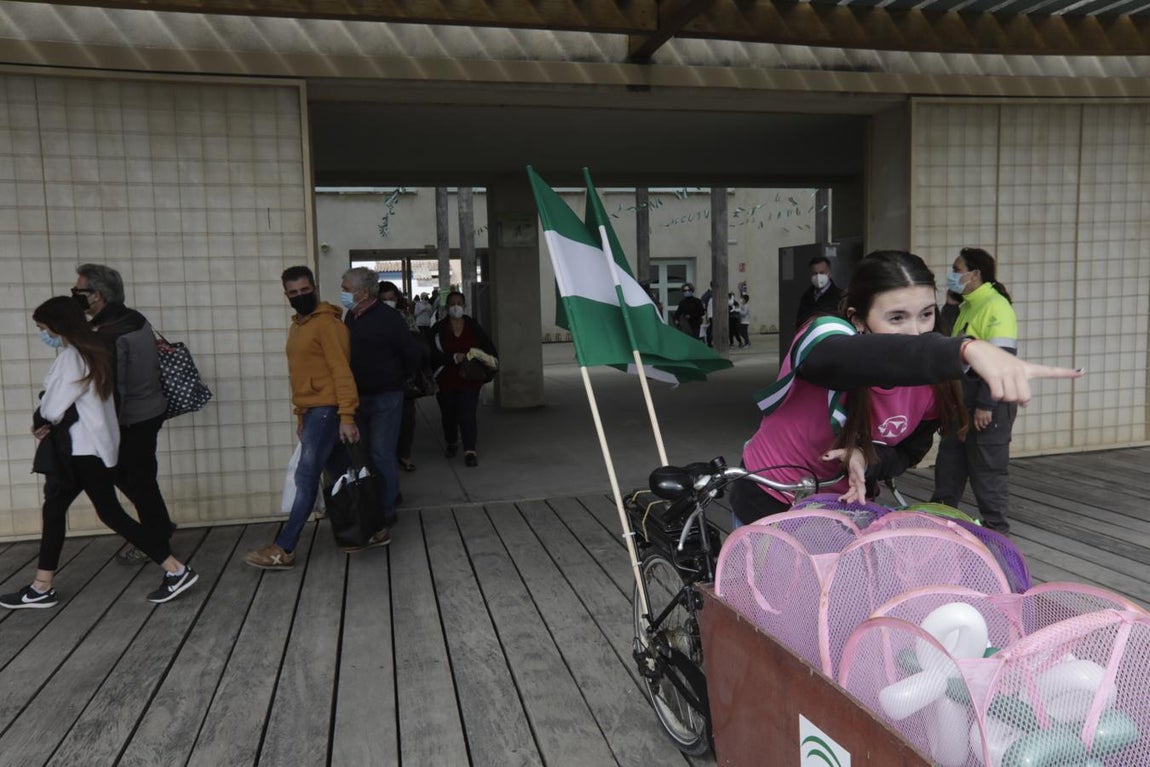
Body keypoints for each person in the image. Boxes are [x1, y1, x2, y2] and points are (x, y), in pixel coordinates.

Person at [730, 250, 1081, 527]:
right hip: (772, 494)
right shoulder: (824, 337)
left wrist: (866, 459)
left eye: (926, 314)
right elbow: (843, 359)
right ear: (857, 319)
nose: (916, 332)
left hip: (845, 507)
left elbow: (908, 452)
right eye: (896, 318)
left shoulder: (933, 383)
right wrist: (966, 348)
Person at [1, 297, 197, 609]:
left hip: (79, 451)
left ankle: (176, 570)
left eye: (42, 328)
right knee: (71, 510)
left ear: (57, 326)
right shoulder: (93, 351)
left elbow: (52, 407)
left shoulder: (71, 358)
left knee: (96, 513)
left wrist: (40, 419)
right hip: (96, 448)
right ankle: (42, 586)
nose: (42, 334)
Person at [245, 266, 361, 569]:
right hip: (313, 412)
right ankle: (369, 528)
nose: (300, 297)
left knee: (306, 478)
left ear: (316, 287)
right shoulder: (299, 325)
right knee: (343, 474)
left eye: (304, 290)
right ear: (286, 295)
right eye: (293, 293)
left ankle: (283, 548)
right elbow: (300, 374)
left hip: (326, 412)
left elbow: (342, 372)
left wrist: (346, 415)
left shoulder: (328, 325)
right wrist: (300, 415)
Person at [71, 263, 175, 566]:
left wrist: (105, 429)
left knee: (133, 479)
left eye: (79, 291)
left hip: (130, 419)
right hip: (151, 409)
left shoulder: (109, 334)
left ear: (97, 295)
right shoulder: (135, 319)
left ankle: (156, 540)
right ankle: (159, 529)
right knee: (141, 478)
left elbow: (112, 389)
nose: (74, 295)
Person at [931, 248, 1020, 533]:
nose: (953, 274)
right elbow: (946, 344)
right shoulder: (968, 305)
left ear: (975, 273)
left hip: (987, 404)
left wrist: (986, 404)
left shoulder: (996, 306)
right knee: (949, 467)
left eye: (957, 269)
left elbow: (1000, 360)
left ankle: (997, 534)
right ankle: (937, 524)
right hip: (961, 403)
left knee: (987, 473)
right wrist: (950, 306)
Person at [340, 271, 420, 531]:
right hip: (358, 397)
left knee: (382, 453)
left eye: (346, 288)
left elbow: (410, 354)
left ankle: (386, 512)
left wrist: (397, 379)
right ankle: (386, 495)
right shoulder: (350, 316)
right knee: (365, 455)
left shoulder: (389, 318)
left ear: (362, 293)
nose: (342, 292)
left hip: (386, 396)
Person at [430, 291, 497, 467]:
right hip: (446, 379)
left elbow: (488, 348)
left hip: (470, 379)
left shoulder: (473, 326)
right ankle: (451, 441)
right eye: (452, 304)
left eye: (459, 303)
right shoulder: (438, 329)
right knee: (449, 413)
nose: (455, 307)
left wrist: (482, 362)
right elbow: (431, 355)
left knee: (468, 413)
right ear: (446, 307)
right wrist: (452, 358)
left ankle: (470, 450)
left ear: (465, 305)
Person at [795, 255, 843, 328]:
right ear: (810, 274)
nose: (818, 276)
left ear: (829, 273)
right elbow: (799, 320)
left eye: (822, 273)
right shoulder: (807, 296)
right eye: (815, 273)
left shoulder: (840, 296)